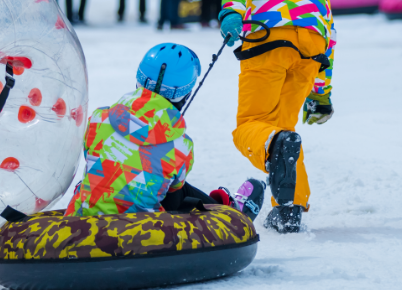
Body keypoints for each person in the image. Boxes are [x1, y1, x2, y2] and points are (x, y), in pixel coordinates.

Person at [218, 0, 336, 234]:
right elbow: (328, 22)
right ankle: (289, 209)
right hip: (312, 46)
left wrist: (231, 11)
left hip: (270, 38)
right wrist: (321, 92)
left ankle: (280, 170)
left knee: (251, 126)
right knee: (283, 131)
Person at [66, 42, 266, 219]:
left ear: (139, 79)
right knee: (174, 187)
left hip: (83, 220)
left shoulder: (98, 119)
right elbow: (174, 195)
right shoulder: (182, 145)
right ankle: (227, 213)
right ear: (184, 95)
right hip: (142, 231)